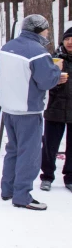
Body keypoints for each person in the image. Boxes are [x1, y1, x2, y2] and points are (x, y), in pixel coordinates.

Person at [0, 14, 62, 211]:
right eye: (47, 30)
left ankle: (7, 189)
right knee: (29, 153)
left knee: (13, 150)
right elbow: (47, 81)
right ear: (40, 30)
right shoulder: (38, 52)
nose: (48, 33)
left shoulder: (7, 47)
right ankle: (22, 195)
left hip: (9, 108)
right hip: (28, 110)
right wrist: (57, 70)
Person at [40, 27, 72, 192]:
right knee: (49, 145)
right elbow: (43, 81)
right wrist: (55, 80)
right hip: (55, 109)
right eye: (67, 38)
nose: (70, 42)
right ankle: (47, 176)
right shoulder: (54, 59)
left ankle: (70, 177)